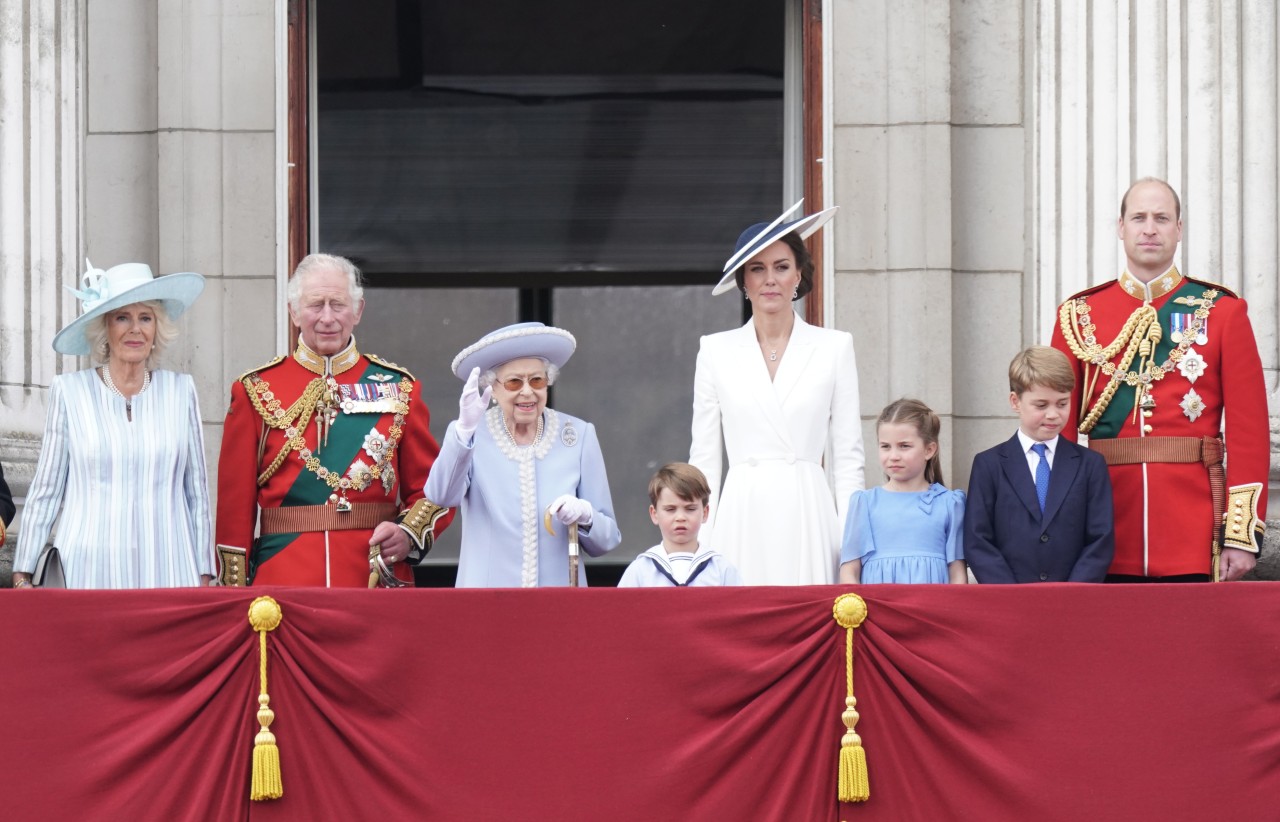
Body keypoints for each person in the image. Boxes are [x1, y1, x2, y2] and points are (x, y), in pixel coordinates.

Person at [1050, 178, 1269, 582]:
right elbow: (1058, 432)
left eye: (1162, 218)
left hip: (1195, 530)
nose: (1149, 228)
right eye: (1139, 217)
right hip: (1104, 526)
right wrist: (1060, 527)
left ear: (1179, 229)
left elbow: (1248, 430)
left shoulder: (1222, 312)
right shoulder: (1078, 316)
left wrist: (1239, 534)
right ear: (1121, 227)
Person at [215, 253, 451, 587]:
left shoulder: (400, 388)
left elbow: (435, 488)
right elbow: (233, 508)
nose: (327, 317)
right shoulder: (255, 388)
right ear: (293, 311)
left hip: (373, 578)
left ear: (358, 311)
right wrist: (233, 593)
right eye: (315, 305)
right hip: (283, 580)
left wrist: (407, 534)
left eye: (338, 304)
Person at [690, 200, 864, 585]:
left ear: (799, 275)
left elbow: (848, 459)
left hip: (808, 510)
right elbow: (704, 460)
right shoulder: (715, 350)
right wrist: (700, 544)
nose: (770, 279)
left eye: (781, 267)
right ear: (744, 282)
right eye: (757, 269)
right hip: (742, 511)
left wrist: (852, 547)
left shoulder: (834, 347)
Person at [11, 261, 212, 588]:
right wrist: (23, 572)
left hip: (169, 571)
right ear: (104, 328)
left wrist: (204, 571)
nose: (135, 329)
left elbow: (197, 493)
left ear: (157, 328)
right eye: (122, 317)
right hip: (86, 573)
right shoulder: (70, 392)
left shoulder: (180, 392)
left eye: (145, 318)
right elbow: (47, 490)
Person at [426, 322, 621, 587]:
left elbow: (607, 540)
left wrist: (587, 517)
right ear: (492, 388)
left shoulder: (579, 435)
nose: (527, 391)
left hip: (558, 603)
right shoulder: (470, 433)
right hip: (486, 604)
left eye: (537, 380)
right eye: (514, 382)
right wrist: (464, 430)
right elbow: (441, 496)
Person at [964, 347, 1115, 584]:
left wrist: (1074, 592)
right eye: (1041, 405)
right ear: (1015, 401)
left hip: (1073, 600)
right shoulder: (988, 465)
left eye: (1062, 403)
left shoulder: (1090, 464)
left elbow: (1100, 538)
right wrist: (1010, 595)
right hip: (1009, 601)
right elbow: (978, 539)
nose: (1054, 414)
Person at [838, 399, 966, 584]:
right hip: (878, 609)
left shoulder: (950, 503)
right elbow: (849, 571)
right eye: (885, 446)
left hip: (930, 609)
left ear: (929, 450)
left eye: (904, 446)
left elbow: (957, 574)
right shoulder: (864, 502)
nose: (894, 456)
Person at [618, 463, 742, 587]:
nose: (680, 518)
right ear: (654, 514)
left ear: (705, 513)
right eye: (670, 509)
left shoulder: (722, 570)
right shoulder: (639, 571)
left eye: (690, 509)